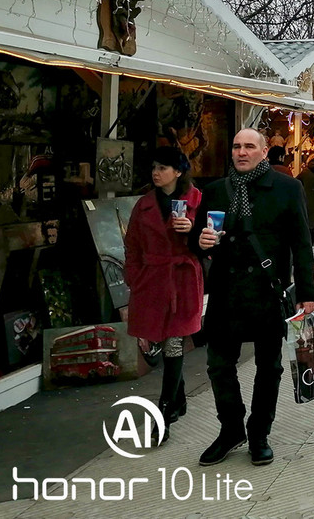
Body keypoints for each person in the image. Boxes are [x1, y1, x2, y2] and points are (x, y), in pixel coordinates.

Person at [193, 129, 314, 466]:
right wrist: (201, 243)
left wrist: (307, 294)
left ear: (264, 151)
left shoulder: (288, 188)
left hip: (267, 291)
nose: (241, 152)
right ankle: (231, 429)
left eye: (249, 146)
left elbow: (302, 244)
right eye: (236, 146)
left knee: (269, 367)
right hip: (226, 292)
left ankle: (259, 433)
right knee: (219, 366)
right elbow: (196, 240)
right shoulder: (216, 191)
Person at [124, 146, 202, 442]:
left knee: (173, 343)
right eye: (154, 167)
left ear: (178, 171)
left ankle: (164, 413)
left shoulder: (197, 201)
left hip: (182, 280)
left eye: (163, 168)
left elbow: (212, 239)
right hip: (152, 280)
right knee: (161, 339)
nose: (156, 173)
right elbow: (132, 246)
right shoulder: (143, 205)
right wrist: (134, 277)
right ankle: (179, 398)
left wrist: (192, 231)